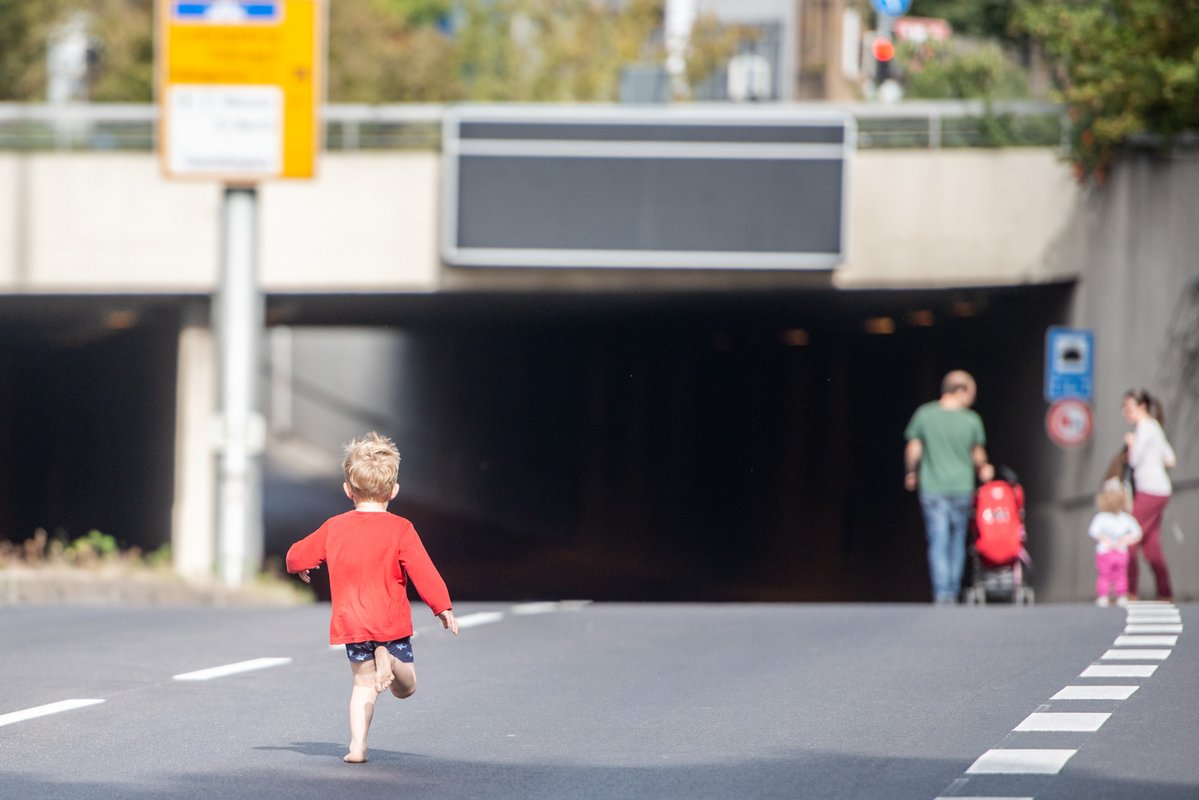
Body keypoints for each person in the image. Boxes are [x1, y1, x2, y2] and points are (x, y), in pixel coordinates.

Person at [286, 431, 458, 764]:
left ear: (347, 490)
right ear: (393, 491)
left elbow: (297, 555)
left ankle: (357, 747)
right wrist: (443, 606)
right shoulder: (401, 529)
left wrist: (301, 566)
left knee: (362, 685)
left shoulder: (335, 526)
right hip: (390, 625)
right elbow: (424, 571)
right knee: (405, 688)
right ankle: (391, 660)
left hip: (353, 624)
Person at [904, 370, 995, 604]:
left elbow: (914, 449)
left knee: (938, 539)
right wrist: (984, 468)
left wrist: (911, 473)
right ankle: (952, 590)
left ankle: (942, 591)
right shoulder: (971, 420)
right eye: (971, 393)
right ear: (960, 390)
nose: (972, 399)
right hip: (961, 488)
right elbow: (977, 455)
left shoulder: (925, 415)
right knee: (957, 540)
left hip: (932, 488)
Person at [1121, 389, 1177, 601]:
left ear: (1141, 407)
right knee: (1151, 544)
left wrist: (1131, 443)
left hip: (1150, 490)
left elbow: (1134, 460)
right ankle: (1164, 592)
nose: (1125, 413)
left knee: (1130, 536)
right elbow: (1170, 459)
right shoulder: (1154, 427)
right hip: (1160, 489)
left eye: (1128, 408)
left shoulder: (1144, 427)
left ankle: (1130, 591)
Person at [1088, 480, 1142, 607]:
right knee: (1120, 575)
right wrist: (1124, 540)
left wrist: (1105, 539)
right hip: (1120, 551)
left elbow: (1093, 531)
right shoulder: (1125, 518)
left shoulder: (1101, 517)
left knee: (1105, 575)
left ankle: (1104, 596)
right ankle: (1120, 595)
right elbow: (1137, 533)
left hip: (1105, 551)